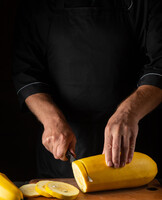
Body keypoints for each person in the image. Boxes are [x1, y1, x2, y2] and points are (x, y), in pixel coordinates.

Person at [13, 0, 162, 178]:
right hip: (63, 153)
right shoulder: (35, 6)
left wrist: (129, 112)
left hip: (135, 152)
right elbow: (26, 72)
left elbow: (159, 66)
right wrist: (52, 120)